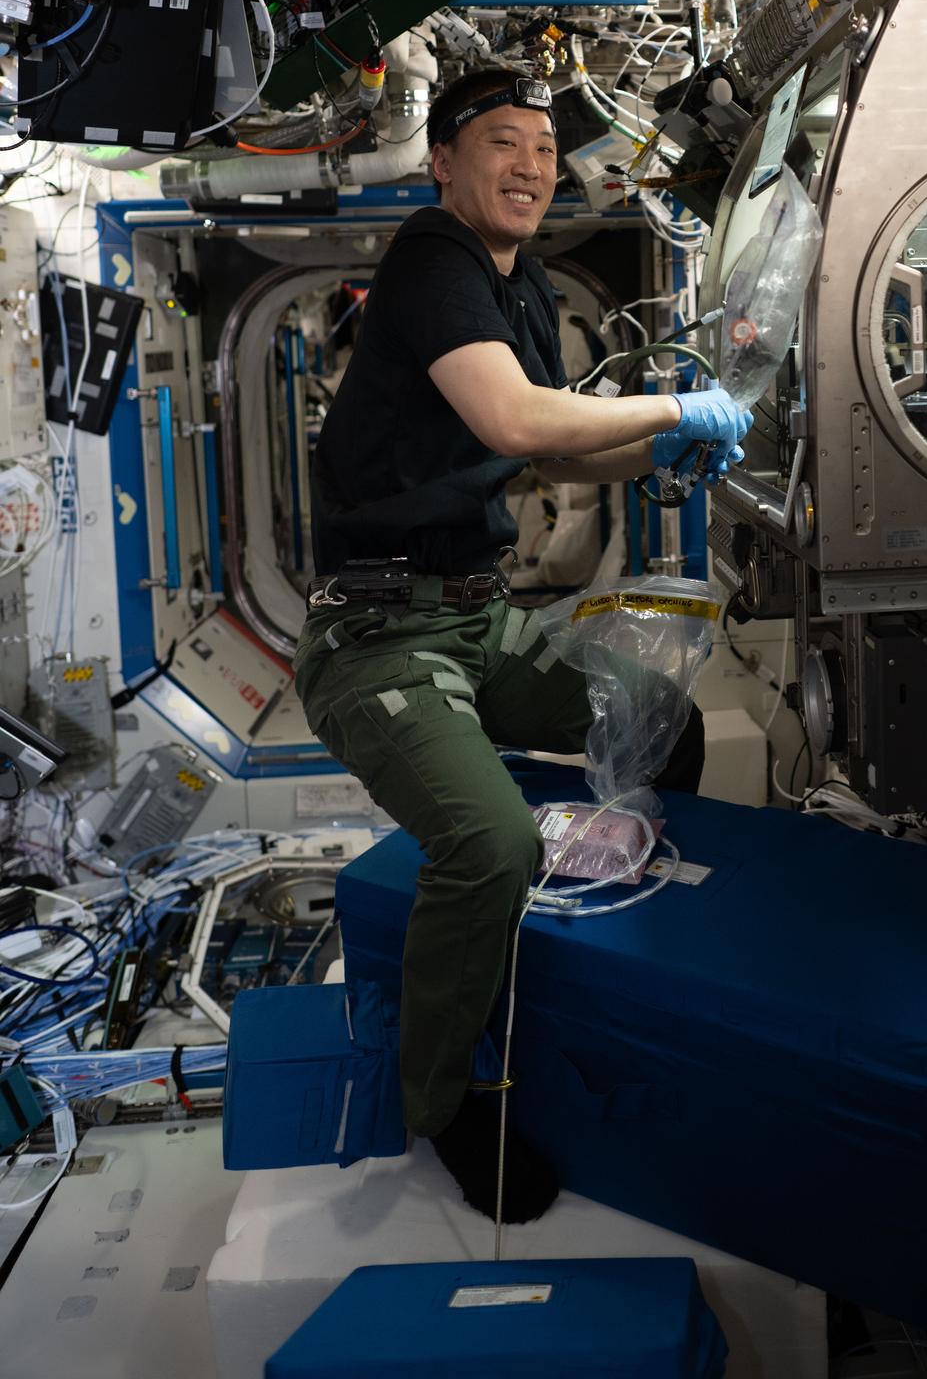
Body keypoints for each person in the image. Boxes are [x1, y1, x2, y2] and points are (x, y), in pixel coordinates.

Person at [294, 66, 751, 1224]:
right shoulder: (432, 263)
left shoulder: (527, 284)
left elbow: (550, 456)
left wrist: (661, 454)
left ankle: (619, 981)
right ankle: (444, 1098)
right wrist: (669, 408)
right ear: (442, 163)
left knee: (666, 728)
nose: (532, 167)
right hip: (378, 636)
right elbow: (514, 418)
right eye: (501, 142)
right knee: (490, 844)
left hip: (475, 613)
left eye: (546, 149)